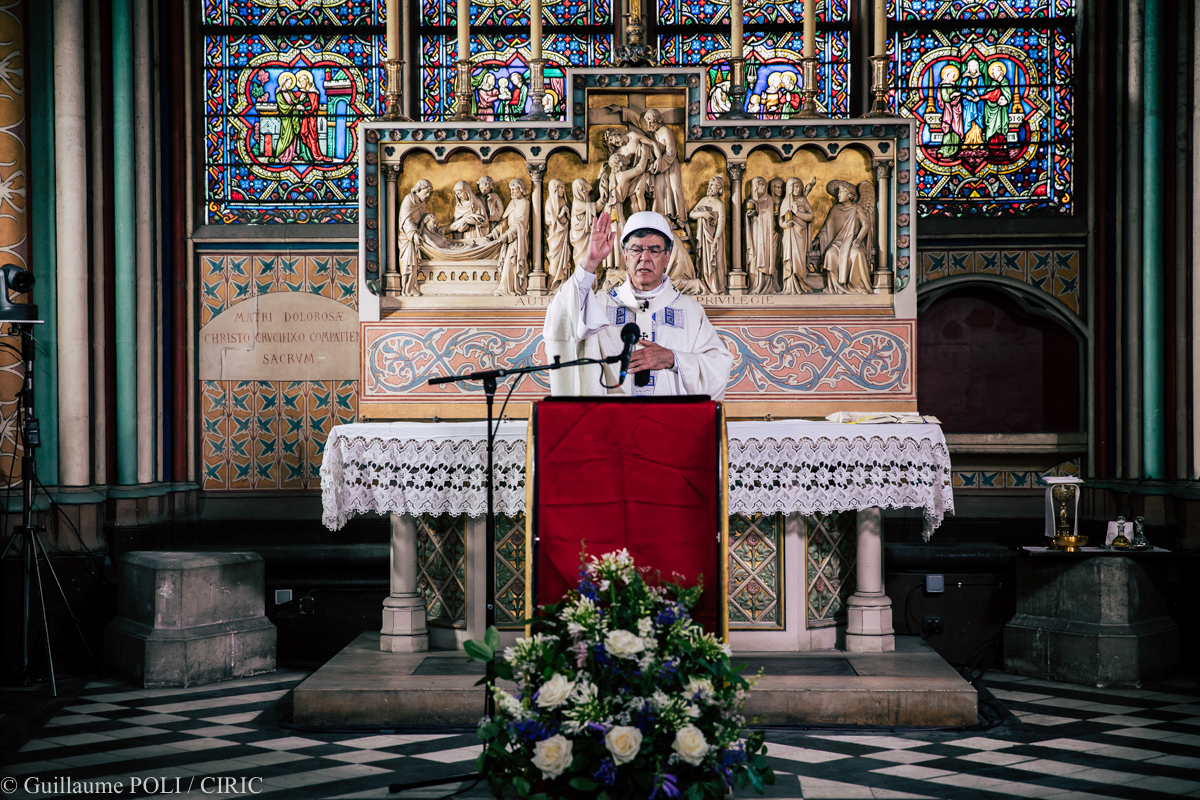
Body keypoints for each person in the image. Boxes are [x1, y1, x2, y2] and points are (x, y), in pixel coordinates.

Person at [543, 210, 733, 399]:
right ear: (625, 256)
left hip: (670, 423)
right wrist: (590, 263)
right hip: (614, 423)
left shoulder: (690, 311)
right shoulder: (600, 307)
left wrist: (673, 359)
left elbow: (717, 366)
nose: (644, 258)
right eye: (636, 249)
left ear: (667, 256)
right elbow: (560, 320)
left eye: (654, 249)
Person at [492, 179, 531, 296]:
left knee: (511, 261)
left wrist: (508, 234)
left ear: (521, 190)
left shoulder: (524, 202)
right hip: (509, 238)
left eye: (515, 189)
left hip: (518, 238)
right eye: (511, 190)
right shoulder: (512, 203)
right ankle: (506, 287)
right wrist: (493, 233)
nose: (512, 192)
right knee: (506, 261)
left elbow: (521, 222)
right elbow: (503, 221)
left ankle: (507, 288)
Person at [689, 176, 727, 295]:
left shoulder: (720, 204)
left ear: (719, 188)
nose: (709, 187)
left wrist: (716, 238)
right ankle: (704, 283)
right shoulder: (703, 200)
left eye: (712, 185)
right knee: (703, 260)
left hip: (715, 237)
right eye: (709, 184)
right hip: (703, 237)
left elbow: (721, 222)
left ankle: (715, 285)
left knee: (714, 261)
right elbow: (691, 215)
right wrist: (703, 214)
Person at [397, 179, 436, 297]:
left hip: (416, 235)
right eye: (426, 192)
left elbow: (422, 218)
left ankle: (413, 286)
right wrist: (413, 234)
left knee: (414, 263)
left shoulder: (421, 203)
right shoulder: (408, 200)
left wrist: (429, 219)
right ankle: (407, 288)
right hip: (407, 239)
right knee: (410, 263)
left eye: (429, 192)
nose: (428, 195)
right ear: (419, 190)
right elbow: (406, 220)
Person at [778, 177, 816, 294]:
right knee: (790, 258)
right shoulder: (786, 201)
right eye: (794, 186)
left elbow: (811, 216)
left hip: (801, 234)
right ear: (789, 188)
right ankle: (790, 285)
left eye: (799, 186)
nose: (797, 189)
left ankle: (802, 283)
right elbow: (781, 219)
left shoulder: (803, 201)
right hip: (789, 234)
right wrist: (784, 225)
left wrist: (797, 213)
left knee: (799, 260)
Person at [544, 177, 572, 290]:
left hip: (564, 233)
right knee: (555, 261)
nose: (563, 190)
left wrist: (568, 215)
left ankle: (563, 285)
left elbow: (569, 218)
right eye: (560, 188)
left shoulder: (565, 201)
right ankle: (550, 286)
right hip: (554, 236)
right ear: (554, 189)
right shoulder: (550, 202)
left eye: (563, 188)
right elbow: (548, 220)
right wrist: (560, 215)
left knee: (565, 259)